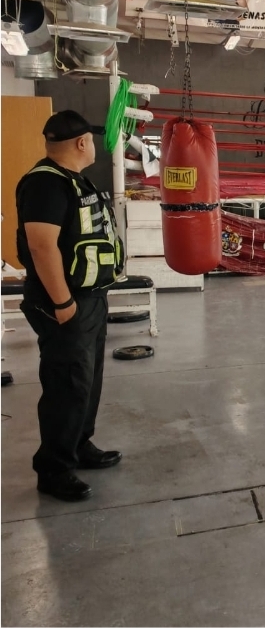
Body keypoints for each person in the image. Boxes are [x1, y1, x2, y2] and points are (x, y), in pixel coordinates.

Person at [15, 110, 125, 502]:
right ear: (82, 142)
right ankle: (54, 469)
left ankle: (79, 445)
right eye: (91, 140)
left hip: (90, 297)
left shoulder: (73, 180)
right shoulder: (45, 183)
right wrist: (62, 303)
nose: (93, 145)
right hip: (64, 302)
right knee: (67, 385)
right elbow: (41, 246)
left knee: (87, 381)